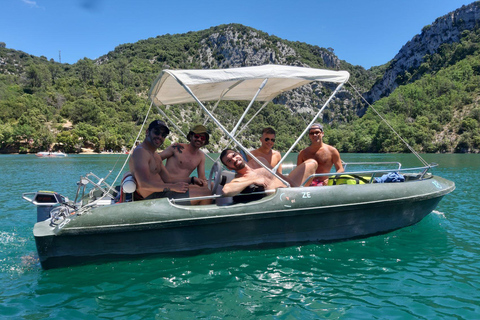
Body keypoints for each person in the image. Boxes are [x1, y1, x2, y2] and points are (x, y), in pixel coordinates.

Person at [129, 120, 211, 204]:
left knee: (207, 189)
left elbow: (168, 179)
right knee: (207, 194)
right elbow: (144, 184)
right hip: (154, 199)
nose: (160, 137)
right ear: (147, 132)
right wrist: (173, 187)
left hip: (163, 192)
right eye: (156, 132)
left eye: (163, 135)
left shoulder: (155, 156)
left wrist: (192, 180)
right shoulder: (141, 152)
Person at [220, 148, 318, 197]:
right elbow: (226, 191)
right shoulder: (241, 178)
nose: (234, 160)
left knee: (312, 163)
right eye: (229, 161)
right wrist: (252, 180)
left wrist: (294, 188)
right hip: (281, 198)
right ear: (229, 167)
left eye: (234, 155)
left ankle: (303, 195)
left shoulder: (259, 160)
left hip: (290, 188)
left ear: (239, 154)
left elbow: (278, 176)